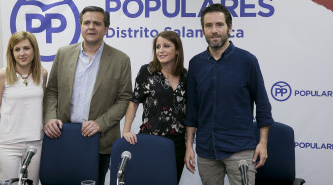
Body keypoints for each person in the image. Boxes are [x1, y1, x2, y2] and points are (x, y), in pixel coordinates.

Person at [184, 3, 274, 185]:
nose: (214, 30)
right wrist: (189, 146)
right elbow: (192, 110)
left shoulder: (247, 61)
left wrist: (263, 143)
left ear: (230, 28)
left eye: (219, 25)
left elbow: (263, 104)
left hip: (240, 149)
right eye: (208, 26)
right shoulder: (195, 64)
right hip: (206, 151)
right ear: (203, 30)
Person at [43, 6, 132, 185]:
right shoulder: (63, 53)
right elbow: (52, 90)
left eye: (97, 23)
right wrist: (50, 118)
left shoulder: (121, 60)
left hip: (100, 141)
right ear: (81, 26)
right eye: (87, 22)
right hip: (63, 137)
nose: (91, 27)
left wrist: (100, 124)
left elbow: (124, 99)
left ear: (106, 29)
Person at [122, 30, 187, 183]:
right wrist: (126, 130)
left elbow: (187, 110)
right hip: (150, 140)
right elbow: (134, 101)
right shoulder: (147, 71)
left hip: (176, 144)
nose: (161, 50)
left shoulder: (186, 76)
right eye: (158, 47)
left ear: (177, 50)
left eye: (166, 46)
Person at [0, 31, 47, 184]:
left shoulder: (42, 74)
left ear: (34, 50)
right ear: (11, 53)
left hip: (35, 143)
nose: (22, 53)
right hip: (7, 145)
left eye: (26, 48)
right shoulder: (2, 75)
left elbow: (44, 108)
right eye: (17, 49)